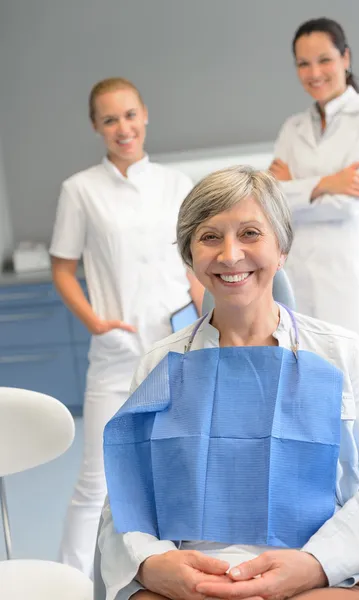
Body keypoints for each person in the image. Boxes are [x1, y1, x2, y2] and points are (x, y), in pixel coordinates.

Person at [99, 166, 359, 600]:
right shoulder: (160, 364)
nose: (230, 255)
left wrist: (315, 565)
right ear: (190, 256)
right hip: (194, 580)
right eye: (210, 237)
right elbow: (126, 497)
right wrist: (152, 562)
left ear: (282, 249)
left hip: (316, 573)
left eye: (251, 233)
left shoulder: (340, 354)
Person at [49, 77, 203, 576]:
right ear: (96, 126)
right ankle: (69, 581)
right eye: (110, 119)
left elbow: (193, 267)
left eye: (130, 115)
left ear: (145, 115)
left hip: (178, 346)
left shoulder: (177, 185)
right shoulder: (80, 190)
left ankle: (178, 570)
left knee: (179, 466)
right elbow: (62, 267)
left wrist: (209, 323)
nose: (123, 128)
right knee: (97, 480)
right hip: (116, 353)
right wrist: (95, 320)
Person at [269, 17, 359, 388]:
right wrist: (328, 183)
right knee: (309, 387)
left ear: (345, 57)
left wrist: (298, 185)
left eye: (324, 60)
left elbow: (349, 204)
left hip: (350, 271)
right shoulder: (293, 127)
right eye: (303, 64)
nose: (314, 72)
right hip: (301, 272)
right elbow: (273, 199)